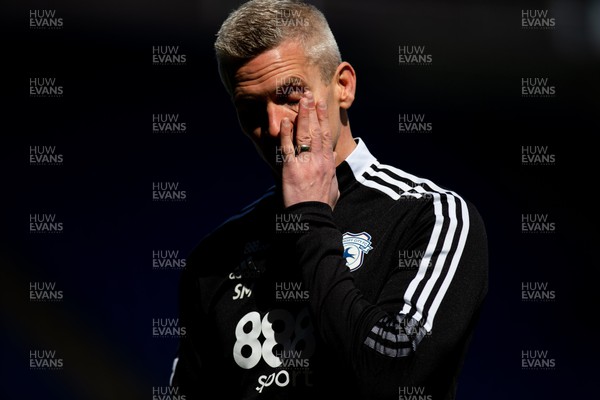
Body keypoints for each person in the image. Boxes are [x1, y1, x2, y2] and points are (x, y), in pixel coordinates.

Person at [170, 1, 488, 399]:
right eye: (249, 108)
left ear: (343, 86)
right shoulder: (215, 258)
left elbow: (394, 373)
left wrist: (310, 218)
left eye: (289, 95)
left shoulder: (430, 216)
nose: (271, 126)